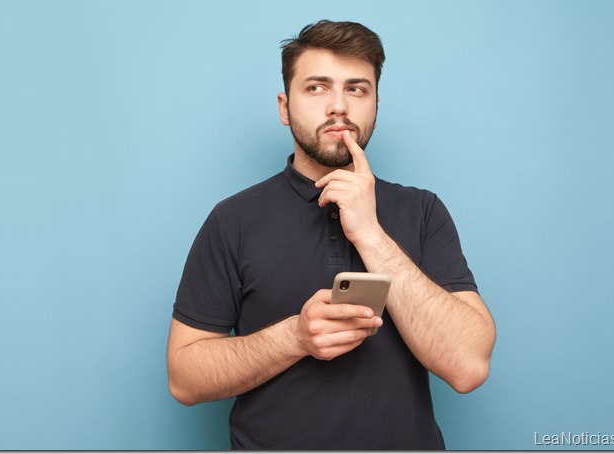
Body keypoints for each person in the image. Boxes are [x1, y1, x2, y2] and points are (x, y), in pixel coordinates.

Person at [166, 20, 496, 450]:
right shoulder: (233, 220)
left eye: (357, 89)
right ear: (285, 107)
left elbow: (468, 366)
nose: (338, 107)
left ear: (376, 104)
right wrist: (294, 337)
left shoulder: (422, 211)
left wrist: (371, 235)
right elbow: (184, 378)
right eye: (317, 88)